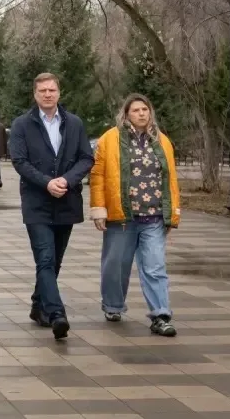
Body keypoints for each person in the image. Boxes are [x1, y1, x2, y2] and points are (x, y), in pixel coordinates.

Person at [8, 73, 94, 341]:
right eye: (43, 90)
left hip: (66, 200)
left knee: (54, 260)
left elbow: (85, 158)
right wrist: (46, 183)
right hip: (37, 203)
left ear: (59, 93)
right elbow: (20, 161)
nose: (48, 94)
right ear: (35, 94)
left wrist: (67, 180)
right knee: (44, 258)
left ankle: (38, 305)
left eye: (52, 90)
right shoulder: (22, 124)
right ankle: (57, 314)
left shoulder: (74, 123)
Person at [91, 94, 180, 337]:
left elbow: (170, 179)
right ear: (126, 114)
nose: (141, 114)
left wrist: (172, 213)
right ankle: (113, 306)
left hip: (153, 217)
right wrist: (99, 209)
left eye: (145, 109)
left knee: (155, 267)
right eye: (135, 110)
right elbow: (97, 175)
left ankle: (161, 315)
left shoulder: (162, 141)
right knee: (115, 266)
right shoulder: (110, 139)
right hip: (121, 217)